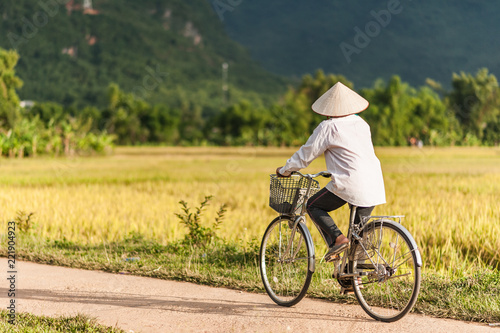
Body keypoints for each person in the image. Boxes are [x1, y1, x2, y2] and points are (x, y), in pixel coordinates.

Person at [276, 82, 386, 262]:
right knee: (357, 237)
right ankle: (353, 283)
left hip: (351, 183)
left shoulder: (328, 127)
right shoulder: (362, 123)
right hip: (374, 183)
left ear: (328, 109)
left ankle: (337, 239)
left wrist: (286, 170)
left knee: (312, 205)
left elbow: (305, 155)